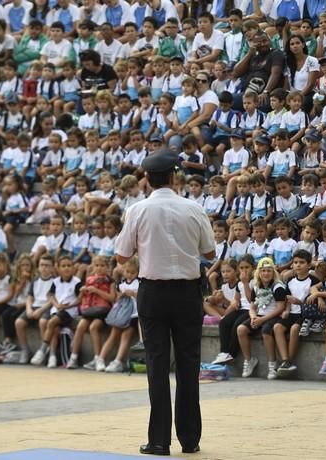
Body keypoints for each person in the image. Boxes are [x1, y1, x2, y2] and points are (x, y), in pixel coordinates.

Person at [115, 147, 215, 457]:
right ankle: (190, 439)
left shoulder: (137, 210)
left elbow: (121, 255)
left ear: (147, 178)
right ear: (174, 177)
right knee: (188, 364)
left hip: (153, 292)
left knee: (157, 364)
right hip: (187, 293)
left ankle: (158, 441)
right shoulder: (194, 208)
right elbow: (209, 253)